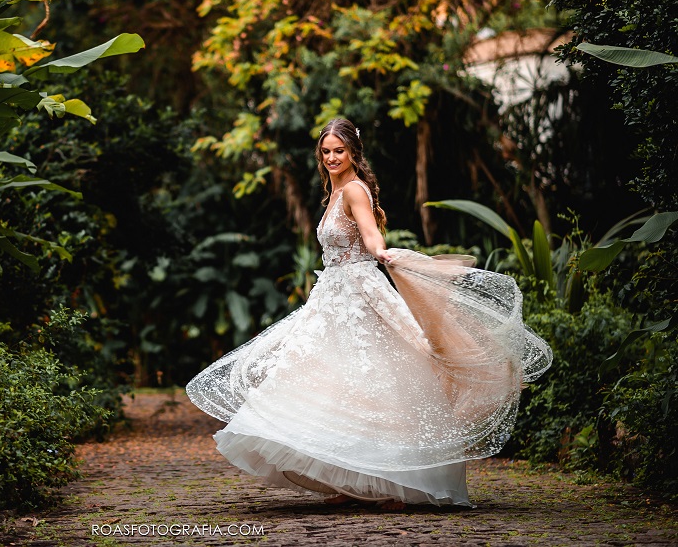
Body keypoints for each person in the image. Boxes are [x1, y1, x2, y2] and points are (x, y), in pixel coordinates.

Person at [186, 118, 552, 509]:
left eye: (338, 151)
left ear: (353, 153)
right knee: (338, 381)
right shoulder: (334, 192)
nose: (331, 157)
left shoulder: (354, 190)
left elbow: (371, 235)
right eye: (325, 151)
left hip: (360, 293)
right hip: (333, 294)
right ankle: (350, 478)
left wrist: (384, 253)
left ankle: (399, 484)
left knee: (380, 378)